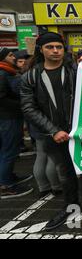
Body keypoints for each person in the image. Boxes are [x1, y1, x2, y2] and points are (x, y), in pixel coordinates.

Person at [20, 32, 82, 230]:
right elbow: (28, 108)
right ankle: (70, 206)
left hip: (80, 133)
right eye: (50, 47)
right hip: (52, 136)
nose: (55, 51)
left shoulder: (75, 71)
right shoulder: (31, 77)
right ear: (40, 50)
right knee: (66, 173)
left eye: (59, 47)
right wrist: (53, 131)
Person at [0, 47, 34, 199]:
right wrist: (21, 104)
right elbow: (2, 99)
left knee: (7, 150)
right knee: (9, 150)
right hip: (8, 118)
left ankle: (8, 177)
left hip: (10, 117)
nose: (14, 57)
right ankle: (5, 185)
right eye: (10, 55)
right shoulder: (3, 73)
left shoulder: (8, 71)